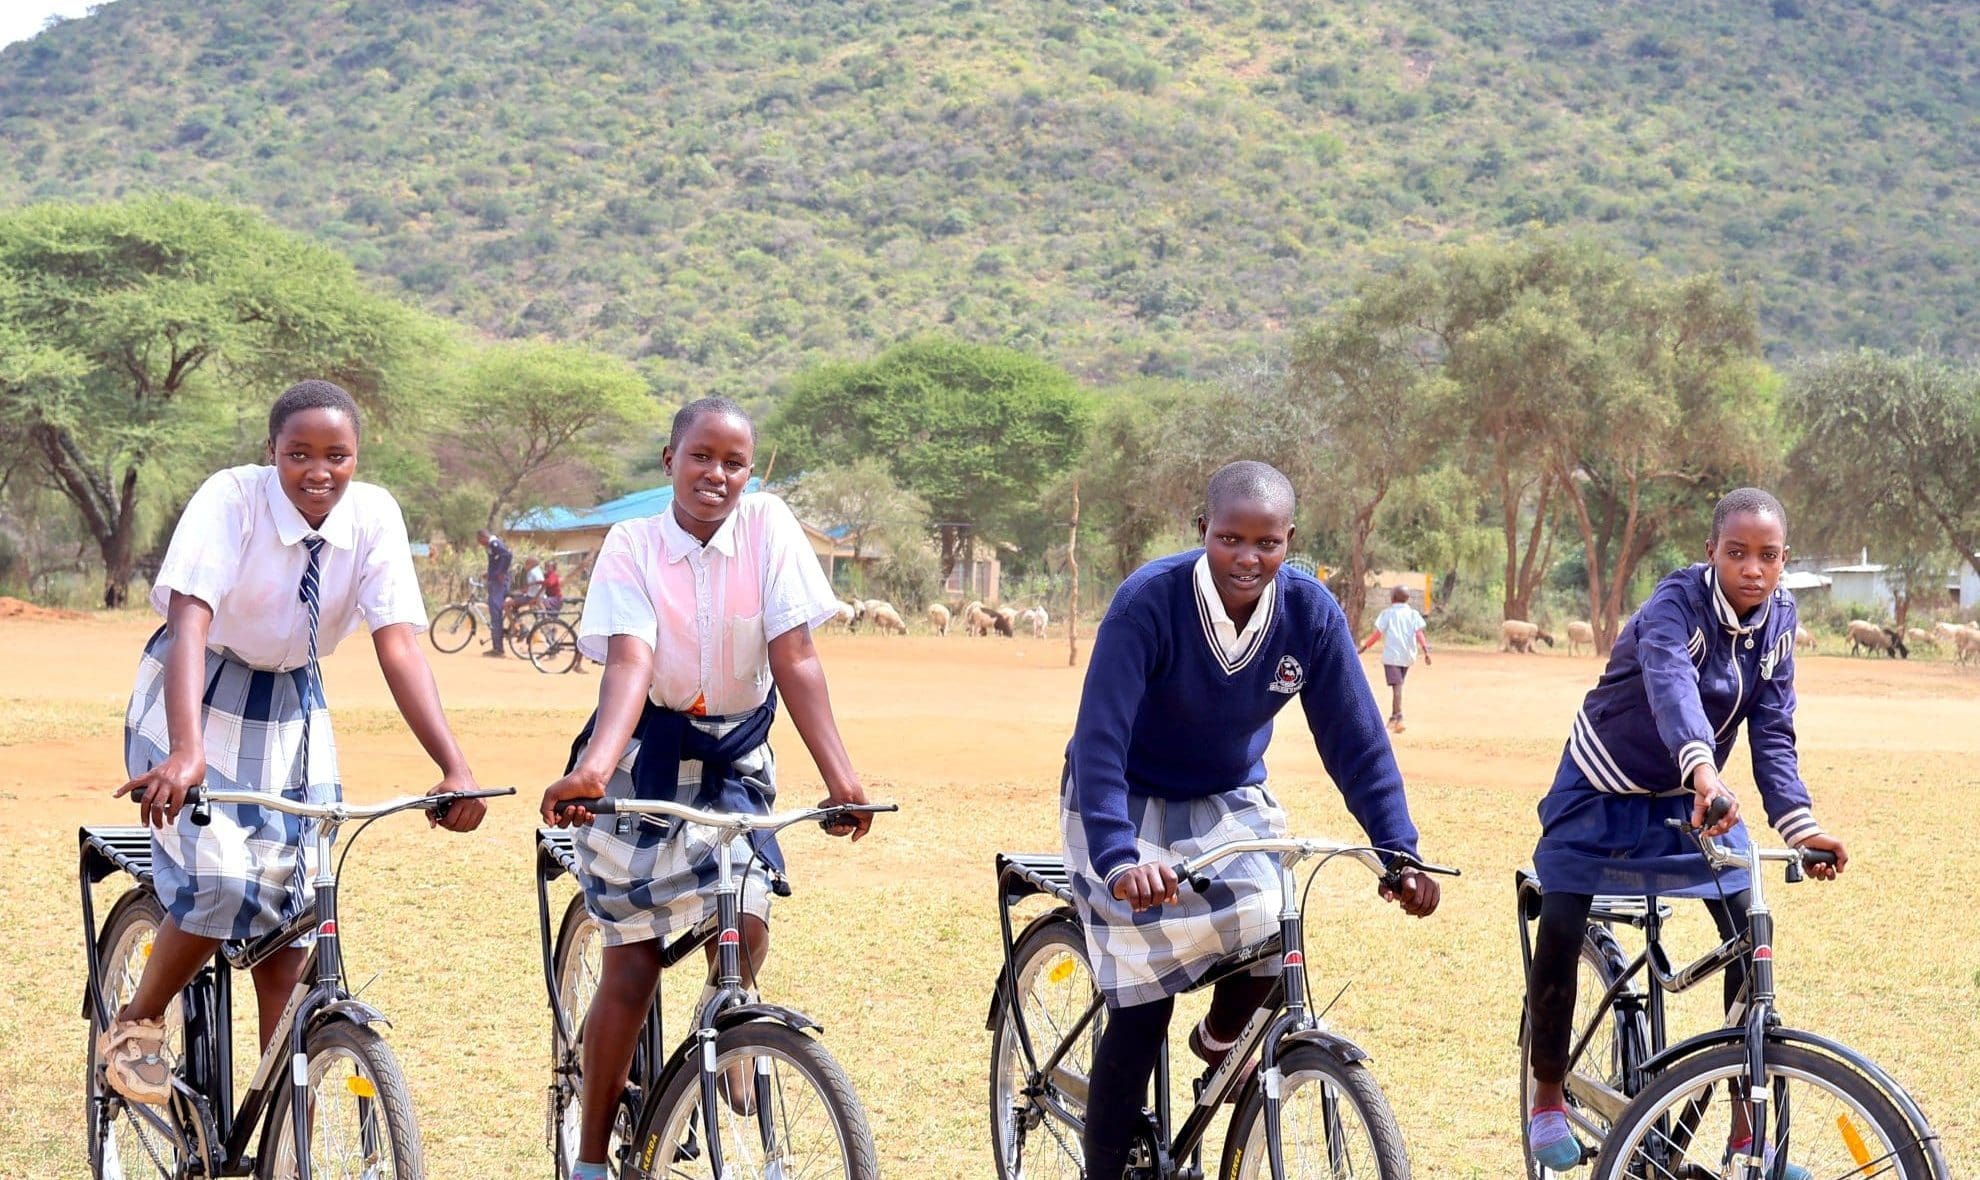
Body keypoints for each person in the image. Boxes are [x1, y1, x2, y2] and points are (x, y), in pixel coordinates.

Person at [99, 380, 488, 1106]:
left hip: (292, 701)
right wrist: (185, 752)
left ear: (356, 457)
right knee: (220, 883)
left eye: (337, 454)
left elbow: (399, 646)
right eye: (299, 453)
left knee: (297, 901)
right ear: (271, 452)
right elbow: (190, 619)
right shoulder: (232, 499)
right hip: (197, 686)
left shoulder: (374, 516)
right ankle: (138, 1022)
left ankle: (287, 1111)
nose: (319, 470)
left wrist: (453, 764)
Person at [1063, 460, 1440, 1180]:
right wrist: (1115, 855)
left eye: (1267, 543)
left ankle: (1220, 1043)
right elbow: (1101, 737)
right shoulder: (1149, 601)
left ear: (1289, 541)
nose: (1248, 558)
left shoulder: (1309, 613)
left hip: (1227, 794)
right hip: (1123, 796)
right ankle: (1105, 1167)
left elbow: (1357, 741)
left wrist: (1400, 852)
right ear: (1202, 530)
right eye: (1230, 539)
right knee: (1142, 1002)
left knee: (1274, 917)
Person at [539, 396, 872, 1180]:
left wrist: (841, 776)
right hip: (643, 751)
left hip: (736, 754)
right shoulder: (631, 544)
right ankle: (590, 1156)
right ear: (669, 461)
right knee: (634, 962)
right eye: (700, 457)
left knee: (748, 915)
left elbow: (794, 655)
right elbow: (629, 662)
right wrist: (592, 769)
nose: (716, 474)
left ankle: (726, 1027)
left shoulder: (769, 528)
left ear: (749, 472)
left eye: (734, 462)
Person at [1523, 488, 1847, 1176]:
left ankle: (1746, 1129)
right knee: (1560, 918)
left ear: (1784, 561)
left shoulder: (1780, 622)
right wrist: (1704, 771)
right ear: (1711, 554)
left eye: (1767, 556)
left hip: (1692, 797)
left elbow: (1774, 730)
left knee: (1748, 929)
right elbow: (1672, 687)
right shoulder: (1676, 604)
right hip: (1602, 787)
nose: (1752, 568)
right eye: (1737, 553)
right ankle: (1547, 1096)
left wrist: (1802, 827)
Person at [1358, 585, 1431, 732]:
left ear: (1392, 598)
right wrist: (1425, 650)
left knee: (1397, 686)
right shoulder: (1413, 614)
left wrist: (1364, 647)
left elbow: (1378, 634)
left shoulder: (1388, 614)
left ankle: (1397, 717)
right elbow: (1419, 634)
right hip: (1407, 656)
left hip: (1392, 656)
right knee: (1399, 684)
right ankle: (1396, 717)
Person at [476, 527, 514, 656]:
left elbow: (507, 555)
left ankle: (498, 649)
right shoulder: (493, 544)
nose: (480, 543)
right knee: (497, 613)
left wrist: (500, 573)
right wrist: (491, 573)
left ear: (483, 537)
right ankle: (498, 646)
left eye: (479, 540)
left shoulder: (494, 543)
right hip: (496, 582)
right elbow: (499, 560)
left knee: (495, 615)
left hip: (498, 584)